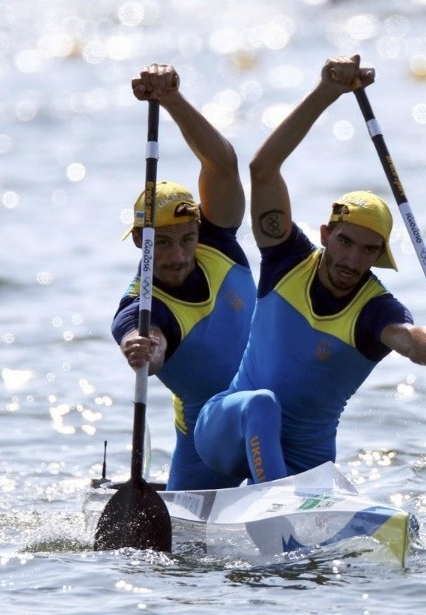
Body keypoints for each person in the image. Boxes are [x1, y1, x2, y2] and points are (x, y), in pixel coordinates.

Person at [193, 55, 426, 485]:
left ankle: (290, 505)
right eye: (344, 242)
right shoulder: (286, 258)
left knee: (398, 525)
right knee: (261, 404)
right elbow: (262, 169)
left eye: (367, 250)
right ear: (325, 234)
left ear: (379, 254)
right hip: (224, 432)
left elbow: (413, 342)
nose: (352, 259)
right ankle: (279, 503)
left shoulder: (375, 310)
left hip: (306, 459)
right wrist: (327, 91)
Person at [111, 64, 256, 490]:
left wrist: (172, 99)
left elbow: (223, 165)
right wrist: (142, 351)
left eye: (187, 239)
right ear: (141, 240)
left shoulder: (218, 242)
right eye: (164, 243)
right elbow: (148, 343)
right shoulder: (141, 308)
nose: (178, 255)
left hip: (273, 416)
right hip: (204, 442)